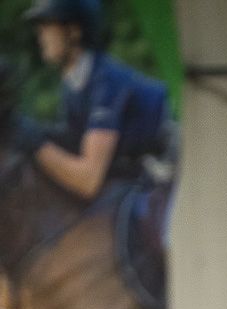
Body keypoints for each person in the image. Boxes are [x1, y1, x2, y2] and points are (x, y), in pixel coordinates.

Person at [14, 0, 174, 201]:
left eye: (47, 25)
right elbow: (75, 140)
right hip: (146, 168)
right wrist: (31, 131)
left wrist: (35, 143)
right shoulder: (75, 82)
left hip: (180, 161)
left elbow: (88, 181)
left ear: (74, 31)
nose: (40, 34)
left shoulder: (106, 82)